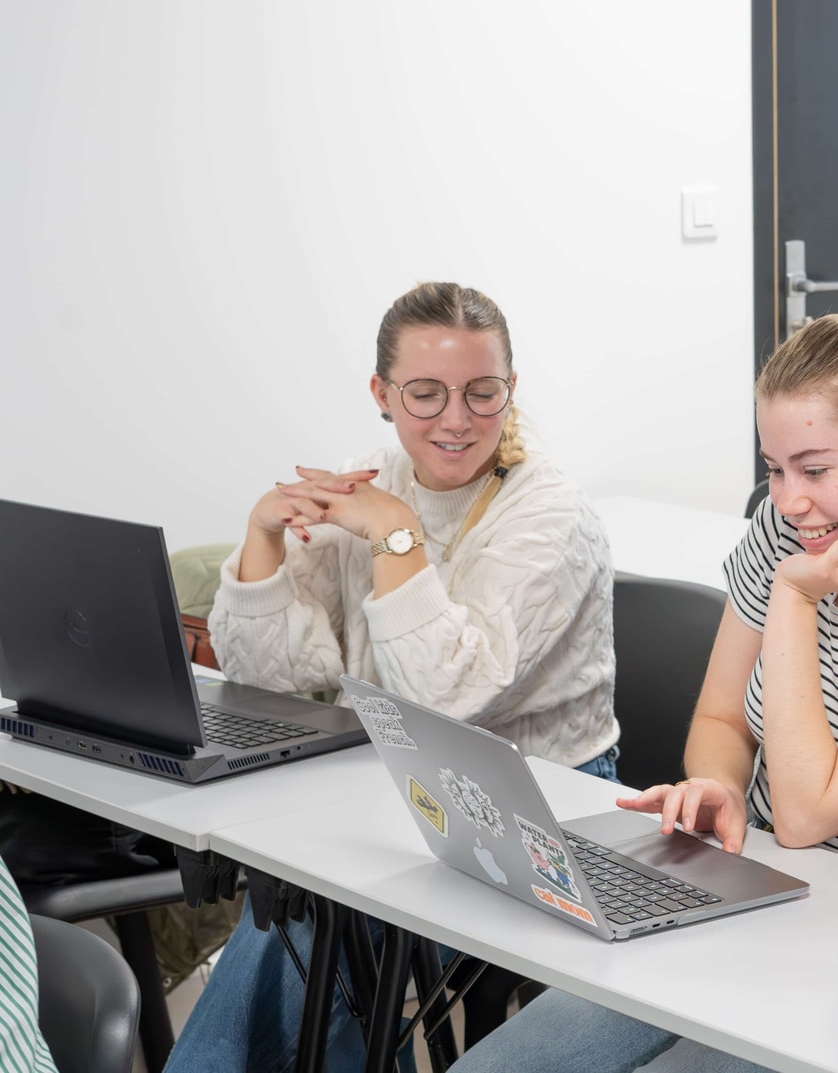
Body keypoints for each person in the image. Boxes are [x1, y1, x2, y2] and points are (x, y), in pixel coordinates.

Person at [456, 310, 838, 1072]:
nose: (790, 499)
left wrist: (795, 599)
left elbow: (807, 816)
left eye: (815, 469)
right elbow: (720, 716)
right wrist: (720, 786)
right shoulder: (792, 530)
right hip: (757, 890)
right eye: (775, 468)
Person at [165, 282, 620, 1072]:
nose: (457, 419)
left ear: (511, 387)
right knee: (303, 901)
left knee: (317, 916)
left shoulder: (552, 516)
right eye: (426, 393)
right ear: (382, 393)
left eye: (483, 391)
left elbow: (447, 697)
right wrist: (263, 534)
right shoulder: (370, 480)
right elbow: (275, 672)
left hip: (542, 802)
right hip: (394, 782)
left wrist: (395, 534)